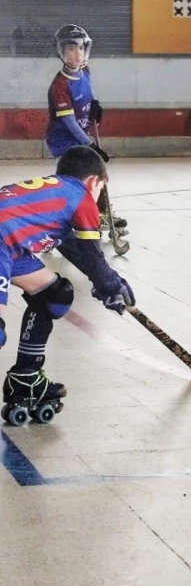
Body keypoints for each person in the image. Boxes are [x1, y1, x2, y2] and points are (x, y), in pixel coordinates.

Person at [0, 147, 135, 424]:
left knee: (54, 294)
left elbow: (77, 250)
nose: (99, 198)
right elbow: (92, 255)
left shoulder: (59, 196)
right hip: (3, 242)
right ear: (93, 181)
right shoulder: (81, 197)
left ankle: (26, 377)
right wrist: (110, 286)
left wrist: (107, 282)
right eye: (101, 189)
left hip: (9, 245)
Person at [45, 24, 127, 234]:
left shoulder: (85, 72)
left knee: (97, 172)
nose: (77, 54)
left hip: (82, 137)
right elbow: (69, 123)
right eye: (71, 49)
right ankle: (62, 221)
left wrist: (95, 106)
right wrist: (90, 145)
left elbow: (88, 94)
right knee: (75, 181)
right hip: (64, 141)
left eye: (81, 48)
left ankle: (103, 213)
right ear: (62, 52)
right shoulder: (60, 86)